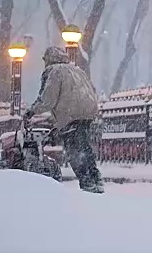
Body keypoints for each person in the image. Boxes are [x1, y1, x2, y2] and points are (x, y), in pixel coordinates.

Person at [24, 46, 103, 193]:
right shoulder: (78, 70)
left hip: (69, 114)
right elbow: (92, 90)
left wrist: (32, 111)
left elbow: (48, 98)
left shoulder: (54, 72)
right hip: (87, 113)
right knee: (84, 147)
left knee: (74, 151)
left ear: (49, 60)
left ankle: (87, 184)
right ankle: (96, 179)